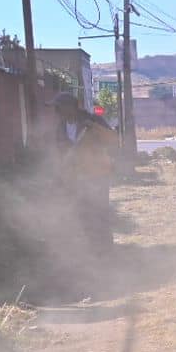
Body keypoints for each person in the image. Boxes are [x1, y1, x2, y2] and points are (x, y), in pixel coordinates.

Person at [53, 93, 119, 254]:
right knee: (82, 213)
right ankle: (92, 249)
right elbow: (60, 149)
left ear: (70, 107)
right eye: (57, 108)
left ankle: (106, 250)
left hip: (98, 174)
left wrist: (93, 126)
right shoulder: (61, 126)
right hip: (76, 175)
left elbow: (113, 139)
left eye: (59, 107)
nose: (57, 111)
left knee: (99, 211)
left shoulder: (93, 120)